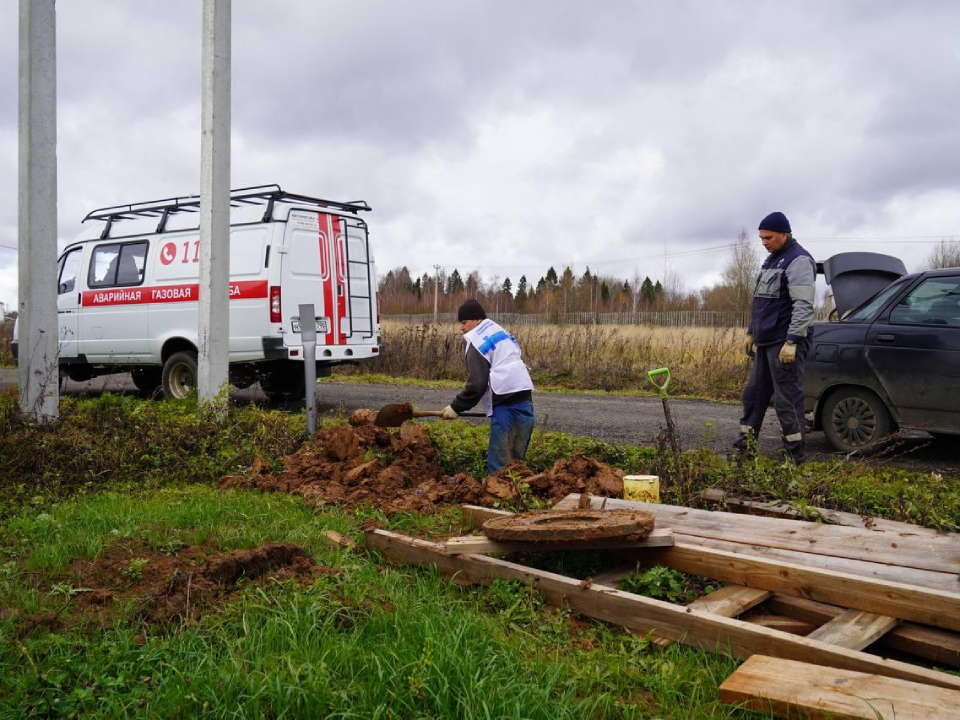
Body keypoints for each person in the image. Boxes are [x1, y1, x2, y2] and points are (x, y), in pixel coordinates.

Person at [735, 211, 816, 463]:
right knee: (754, 395)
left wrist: (792, 341)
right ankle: (744, 448)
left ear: (784, 234)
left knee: (787, 400)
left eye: (769, 237)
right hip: (766, 341)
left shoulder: (799, 260)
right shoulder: (772, 260)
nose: (764, 242)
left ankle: (794, 456)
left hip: (785, 343)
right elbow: (761, 302)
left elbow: (803, 305)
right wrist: (751, 332)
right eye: (761, 238)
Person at [442, 299, 536, 473]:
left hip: (505, 406)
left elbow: (477, 384)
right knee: (516, 464)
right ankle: (518, 497)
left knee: (499, 468)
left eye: (464, 323)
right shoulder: (499, 332)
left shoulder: (477, 341)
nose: (461, 328)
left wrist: (456, 407)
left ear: (477, 320)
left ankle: (497, 498)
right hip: (525, 401)